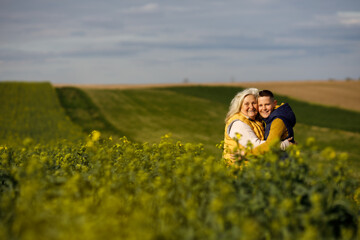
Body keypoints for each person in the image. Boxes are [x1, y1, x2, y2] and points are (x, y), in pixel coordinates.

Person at [223, 88, 265, 164]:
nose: (251, 107)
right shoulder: (238, 123)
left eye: (254, 103)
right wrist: (285, 144)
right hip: (239, 171)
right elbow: (257, 146)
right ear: (239, 106)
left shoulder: (255, 121)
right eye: (246, 104)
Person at [252, 90, 296, 155]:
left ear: (274, 103)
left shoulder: (278, 120)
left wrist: (246, 154)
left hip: (282, 160)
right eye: (260, 105)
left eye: (267, 104)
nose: (264, 108)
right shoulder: (267, 119)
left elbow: (270, 145)